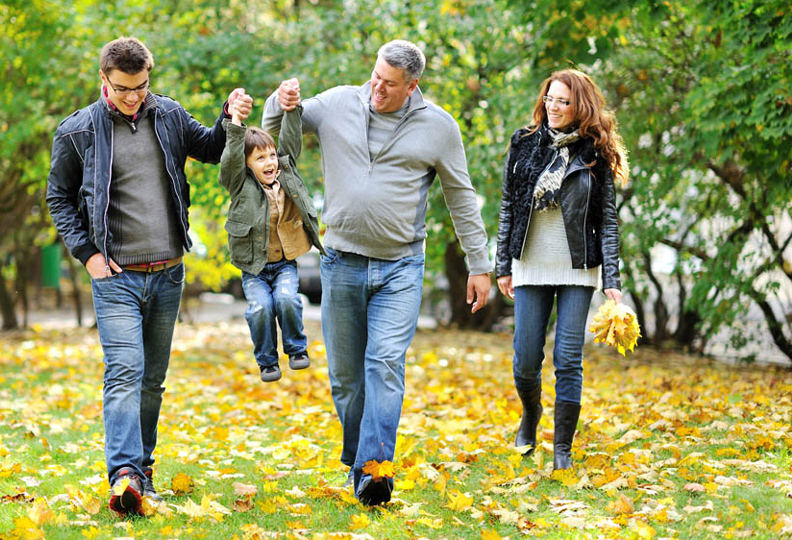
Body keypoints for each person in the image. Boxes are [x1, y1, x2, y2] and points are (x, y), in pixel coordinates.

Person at [262, 40, 492, 505]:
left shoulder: (439, 127)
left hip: (400, 266)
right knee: (346, 380)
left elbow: (461, 196)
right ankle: (358, 461)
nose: (377, 88)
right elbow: (275, 134)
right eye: (375, 76)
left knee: (384, 364)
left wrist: (479, 263)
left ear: (412, 86)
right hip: (341, 261)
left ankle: (373, 470)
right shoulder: (338, 103)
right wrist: (278, 100)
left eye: (389, 84)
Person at [45, 36, 252, 516]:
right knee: (124, 373)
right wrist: (87, 254)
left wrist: (229, 115)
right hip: (115, 276)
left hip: (167, 274)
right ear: (104, 80)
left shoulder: (169, 115)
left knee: (151, 380)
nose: (134, 96)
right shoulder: (78, 131)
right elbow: (59, 197)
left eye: (141, 86)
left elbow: (209, 147)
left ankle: (143, 470)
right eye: (123, 89)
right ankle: (123, 477)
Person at [494, 69, 628, 470]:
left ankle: (562, 450)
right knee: (524, 359)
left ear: (579, 106)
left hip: (577, 267)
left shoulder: (594, 152)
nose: (553, 108)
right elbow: (507, 207)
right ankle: (531, 415)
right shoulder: (523, 144)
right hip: (530, 264)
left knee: (568, 358)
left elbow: (607, 218)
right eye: (550, 99)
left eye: (563, 101)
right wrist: (503, 265)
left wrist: (612, 281)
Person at [219, 90, 324, 383]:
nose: (269, 162)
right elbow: (229, 162)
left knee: (287, 300)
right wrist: (237, 121)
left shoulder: (286, 175)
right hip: (254, 269)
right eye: (260, 158)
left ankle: (296, 350)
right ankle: (267, 362)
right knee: (261, 308)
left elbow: (290, 140)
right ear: (247, 164)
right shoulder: (239, 184)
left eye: (271, 155)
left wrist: (292, 109)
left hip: (284, 264)